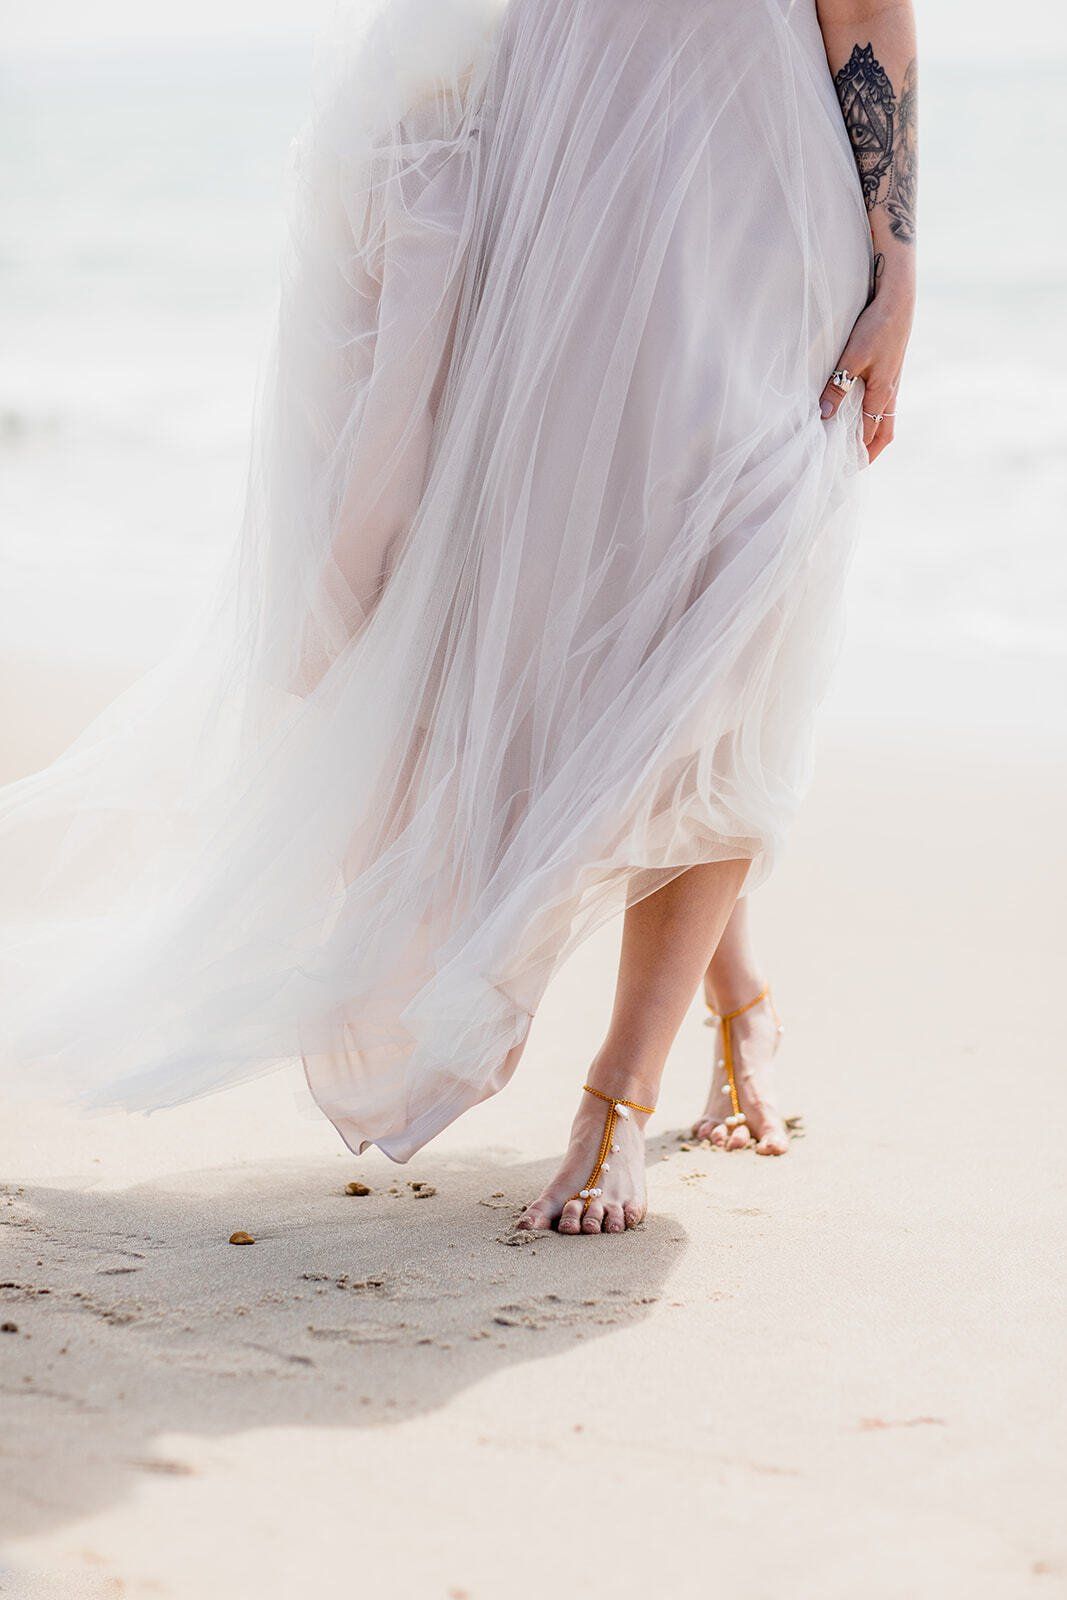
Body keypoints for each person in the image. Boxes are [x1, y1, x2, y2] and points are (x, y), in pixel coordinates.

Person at [0, 0, 916, 1238]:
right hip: (559, 169)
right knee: (610, 613)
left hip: (758, 190)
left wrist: (895, 259)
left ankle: (617, 1094)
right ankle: (736, 988)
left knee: (730, 595)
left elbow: (863, 9)